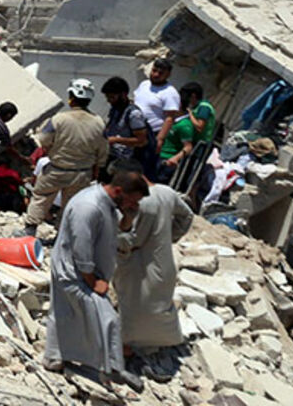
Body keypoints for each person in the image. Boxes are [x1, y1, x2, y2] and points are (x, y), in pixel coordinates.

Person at [43, 169, 149, 391]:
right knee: (107, 318)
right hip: (74, 272)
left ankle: (57, 357)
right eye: (133, 200)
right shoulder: (88, 206)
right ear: (118, 191)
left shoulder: (109, 203)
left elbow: (118, 228)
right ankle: (112, 368)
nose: (134, 204)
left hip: (87, 273)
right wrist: (93, 281)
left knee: (69, 314)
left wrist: (129, 216)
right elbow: (81, 249)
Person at [111, 159, 194, 356]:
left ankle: (128, 346)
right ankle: (160, 342)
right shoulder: (167, 192)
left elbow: (128, 239)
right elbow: (187, 216)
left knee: (133, 307)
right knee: (159, 305)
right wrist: (169, 236)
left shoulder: (137, 203)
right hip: (163, 261)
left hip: (139, 264)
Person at [22, 79, 109, 236]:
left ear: (72, 98)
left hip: (57, 169)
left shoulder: (59, 119)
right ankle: (62, 236)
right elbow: (103, 150)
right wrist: (97, 169)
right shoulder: (99, 123)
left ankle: (29, 230)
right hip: (82, 173)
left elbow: (43, 141)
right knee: (71, 205)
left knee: (41, 197)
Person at [102, 77, 155, 177]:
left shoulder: (134, 114)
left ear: (123, 95)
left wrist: (116, 140)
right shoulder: (115, 110)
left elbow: (142, 141)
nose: (109, 101)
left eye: (112, 97)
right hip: (113, 157)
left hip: (127, 162)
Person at [134, 59, 181, 151]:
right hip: (135, 131)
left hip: (152, 133)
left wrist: (160, 139)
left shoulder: (170, 92)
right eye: (154, 71)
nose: (156, 75)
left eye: (160, 73)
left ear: (168, 75)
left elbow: (170, 118)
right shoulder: (144, 84)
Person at [156, 90, 198, 184]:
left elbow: (188, 147)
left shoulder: (184, 125)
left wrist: (174, 159)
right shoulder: (170, 120)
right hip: (158, 156)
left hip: (166, 160)